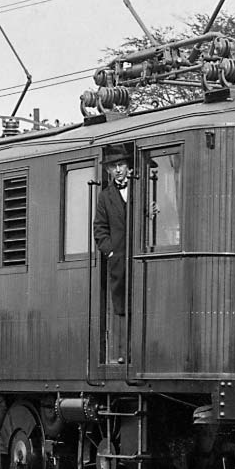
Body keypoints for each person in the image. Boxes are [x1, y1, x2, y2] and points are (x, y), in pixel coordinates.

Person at [93, 153, 133, 361]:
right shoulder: (105, 196)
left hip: (138, 254)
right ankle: (122, 352)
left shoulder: (140, 189)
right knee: (121, 302)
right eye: (113, 166)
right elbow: (99, 229)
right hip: (119, 257)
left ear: (128, 167)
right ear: (108, 170)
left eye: (121, 165)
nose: (118, 170)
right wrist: (111, 252)